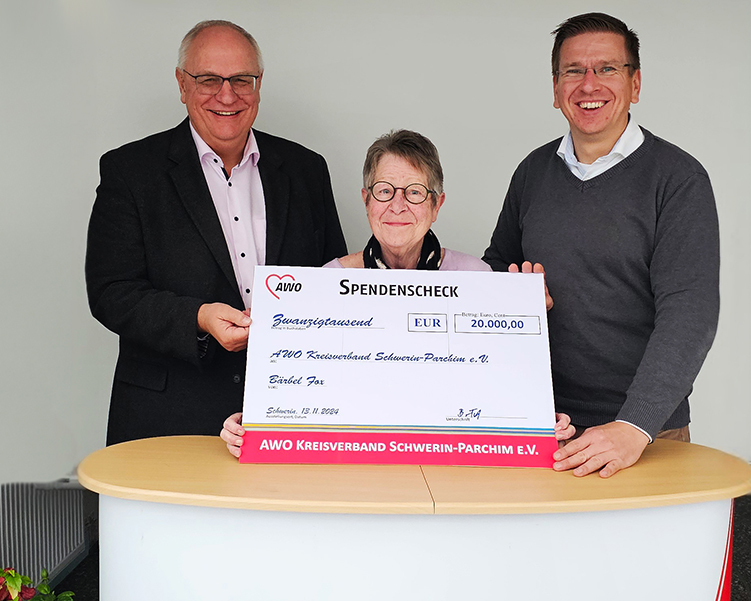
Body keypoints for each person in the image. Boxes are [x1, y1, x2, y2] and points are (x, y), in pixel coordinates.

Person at [220, 130, 572, 456]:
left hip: (448, 466)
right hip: (358, 464)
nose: (398, 205)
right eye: (384, 191)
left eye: (415, 192)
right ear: (366, 201)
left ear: (436, 205)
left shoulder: (477, 278)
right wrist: (255, 424)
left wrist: (536, 420)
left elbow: (499, 390)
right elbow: (299, 390)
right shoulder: (326, 281)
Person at [85, 20, 347, 445]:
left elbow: (331, 280)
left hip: (287, 410)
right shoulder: (130, 171)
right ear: (182, 84)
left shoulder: (306, 170)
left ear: (259, 84)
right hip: (167, 418)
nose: (227, 96)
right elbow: (110, 292)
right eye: (208, 80)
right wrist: (199, 318)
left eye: (242, 80)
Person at [484, 12, 720, 478]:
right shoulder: (532, 172)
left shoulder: (678, 180)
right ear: (556, 89)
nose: (589, 84)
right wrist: (518, 294)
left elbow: (689, 314)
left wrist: (634, 425)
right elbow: (496, 268)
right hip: (543, 426)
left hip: (643, 436)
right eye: (573, 71)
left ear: (635, 84)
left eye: (607, 69)